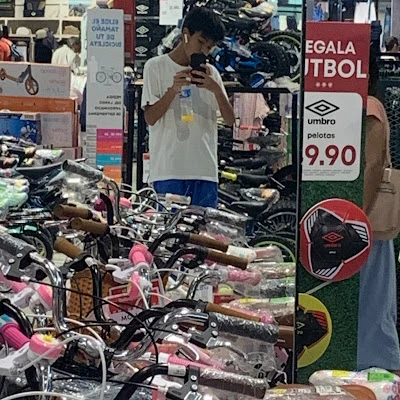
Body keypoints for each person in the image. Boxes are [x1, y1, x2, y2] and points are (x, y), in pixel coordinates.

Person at [141, 7, 235, 208]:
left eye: (209, 47)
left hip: (205, 171)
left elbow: (230, 120)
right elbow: (150, 118)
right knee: (168, 227)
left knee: (204, 228)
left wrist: (216, 89)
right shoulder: (155, 67)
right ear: (186, 34)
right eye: (201, 42)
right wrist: (172, 90)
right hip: (168, 170)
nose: (204, 51)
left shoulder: (212, 74)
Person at [357, 51, 400, 374]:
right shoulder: (371, 105)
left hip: (367, 220)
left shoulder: (369, 107)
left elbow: (373, 165)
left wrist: (358, 214)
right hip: (368, 221)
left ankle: (383, 368)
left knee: (372, 296)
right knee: (376, 296)